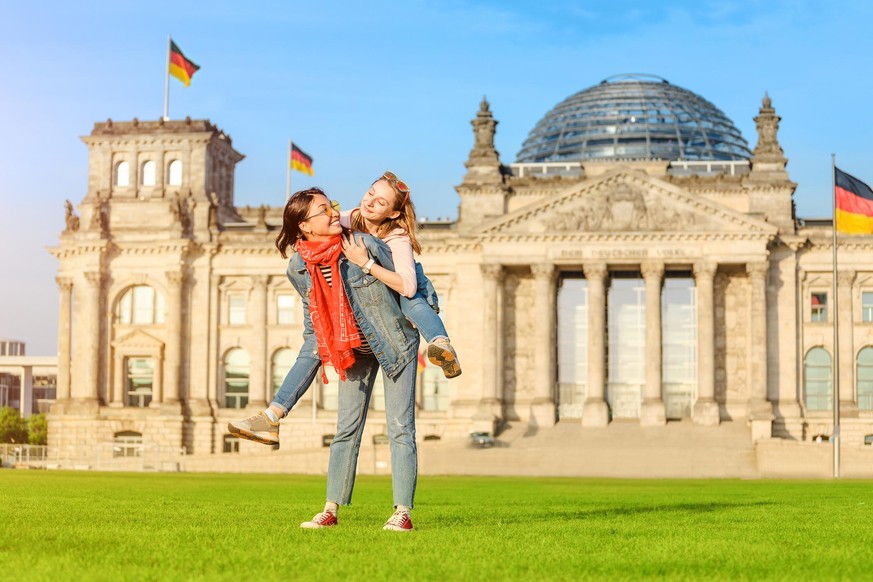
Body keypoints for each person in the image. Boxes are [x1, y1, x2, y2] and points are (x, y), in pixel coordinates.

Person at [229, 187, 420, 531]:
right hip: (352, 349)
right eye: (323, 210)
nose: (334, 213)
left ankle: (402, 512)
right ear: (304, 226)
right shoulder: (299, 267)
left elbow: (409, 287)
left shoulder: (365, 246)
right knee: (345, 430)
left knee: (400, 429)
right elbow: (313, 322)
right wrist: (323, 344)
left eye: (330, 206)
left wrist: (433, 329)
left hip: (393, 341)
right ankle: (330, 510)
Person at [340, 170, 461, 379]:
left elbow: (408, 286)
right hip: (374, 299)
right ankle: (440, 340)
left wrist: (365, 262)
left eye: (380, 202)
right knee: (413, 296)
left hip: (398, 295)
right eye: (370, 193)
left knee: (410, 295)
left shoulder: (397, 235)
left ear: (394, 213)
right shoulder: (343, 219)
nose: (369, 202)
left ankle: (440, 345)